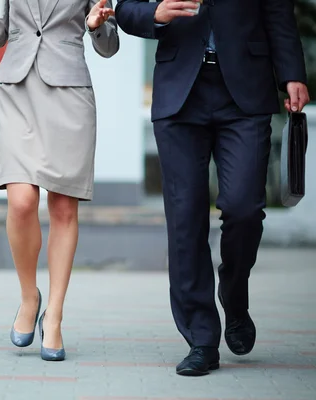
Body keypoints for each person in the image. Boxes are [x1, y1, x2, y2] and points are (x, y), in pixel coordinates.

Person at [115, 0, 309, 376]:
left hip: (246, 93)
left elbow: (278, 12)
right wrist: (154, 14)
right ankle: (202, 339)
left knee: (244, 209)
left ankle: (234, 294)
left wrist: (292, 74)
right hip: (179, 95)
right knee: (185, 220)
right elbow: (126, 9)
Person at [0, 0, 119, 361]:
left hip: (69, 91)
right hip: (17, 88)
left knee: (63, 208)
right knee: (21, 202)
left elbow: (108, 45)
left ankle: (54, 315)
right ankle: (29, 297)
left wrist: (95, 25)